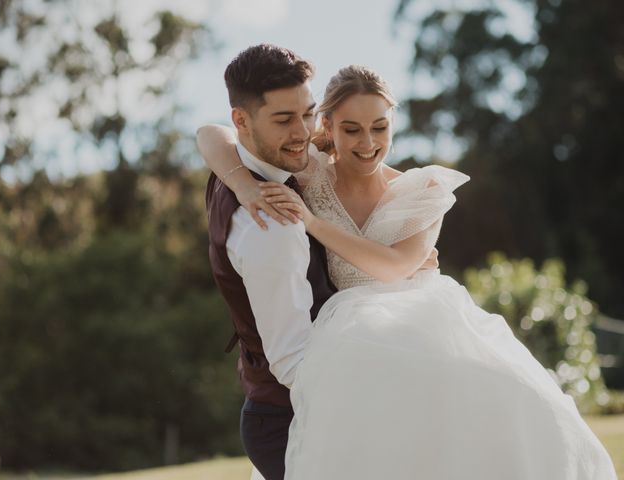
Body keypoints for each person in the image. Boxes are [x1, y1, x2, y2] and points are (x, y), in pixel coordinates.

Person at [198, 51, 617, 479]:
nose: (367, 143)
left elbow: (397, 266)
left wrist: (312, 223)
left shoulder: (423, 190)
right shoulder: (307, 169)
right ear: (328, 129)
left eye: (380, 126)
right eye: (351, 129)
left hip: (424, 333)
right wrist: (243, 184)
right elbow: (212, 134)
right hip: (355, 351)